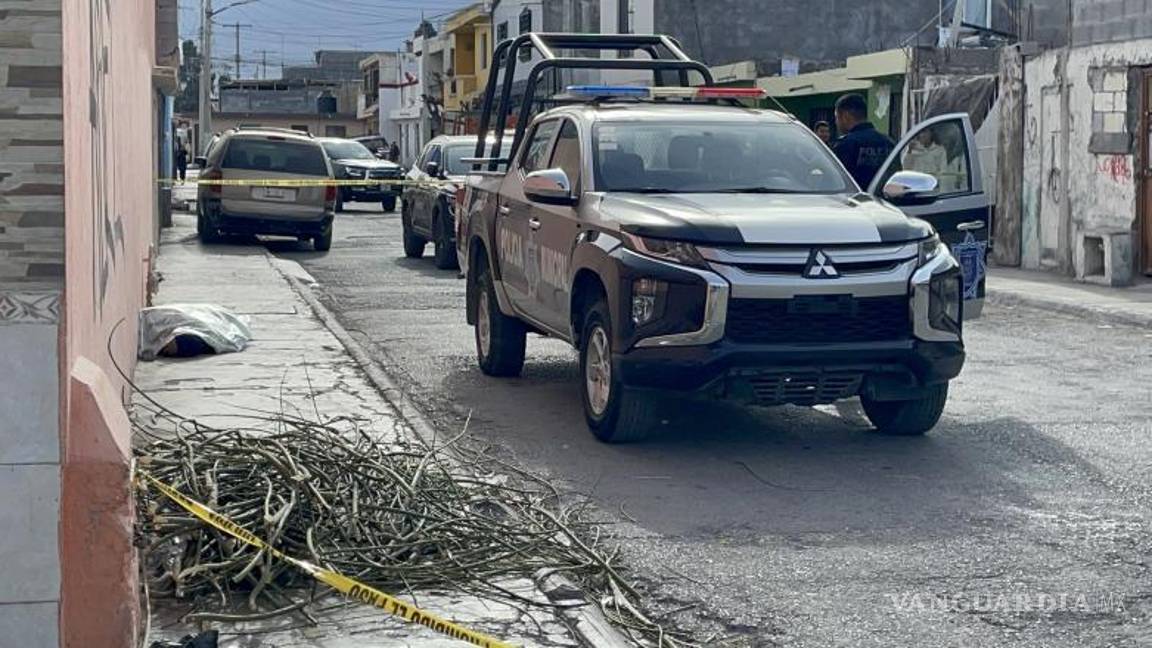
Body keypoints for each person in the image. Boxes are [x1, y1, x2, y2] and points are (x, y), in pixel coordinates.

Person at [831, 93, 894, 188]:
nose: (836, 122)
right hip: (883, 197)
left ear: (845, 116)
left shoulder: (845, 145)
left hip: (854, 196)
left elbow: (834, 180)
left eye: (836, 117)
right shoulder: (889, 143)